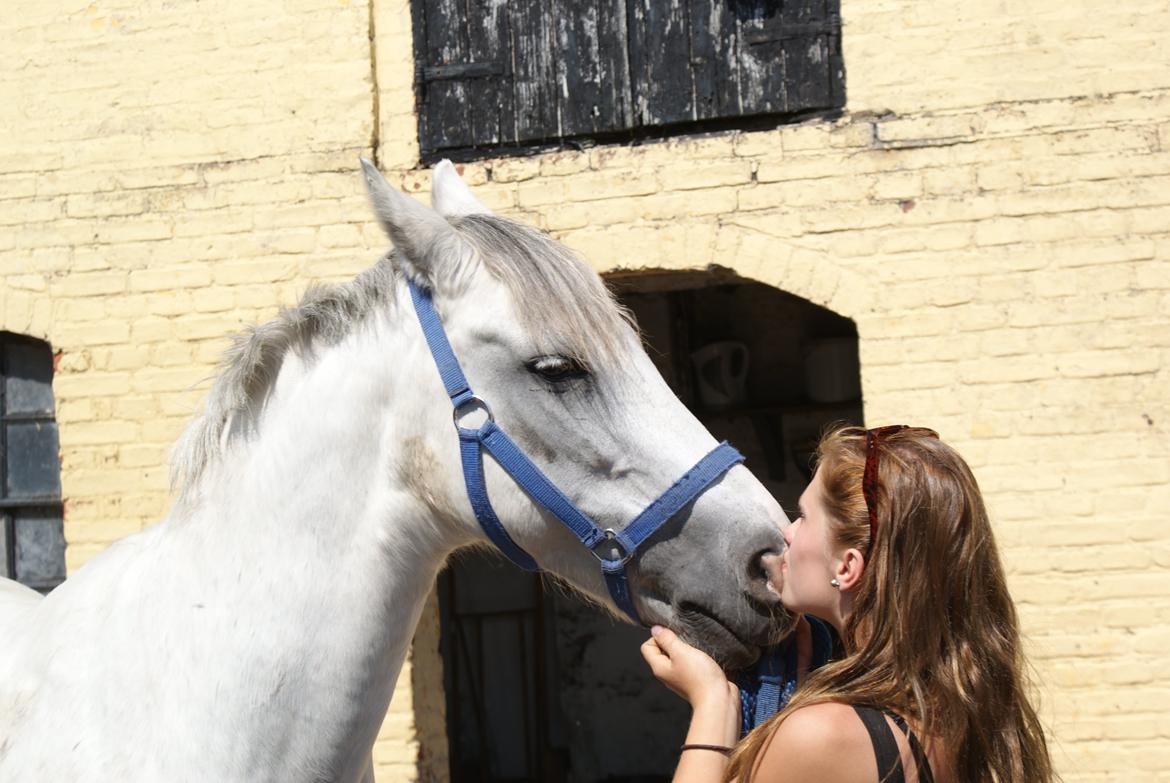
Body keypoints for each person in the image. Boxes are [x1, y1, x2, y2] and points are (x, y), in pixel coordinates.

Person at [641, 425, 1053, 782]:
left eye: (804, 516)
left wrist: (713, 704)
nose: (788, 533)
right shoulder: (957, 714)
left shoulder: (823, 735)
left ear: (847, 566)